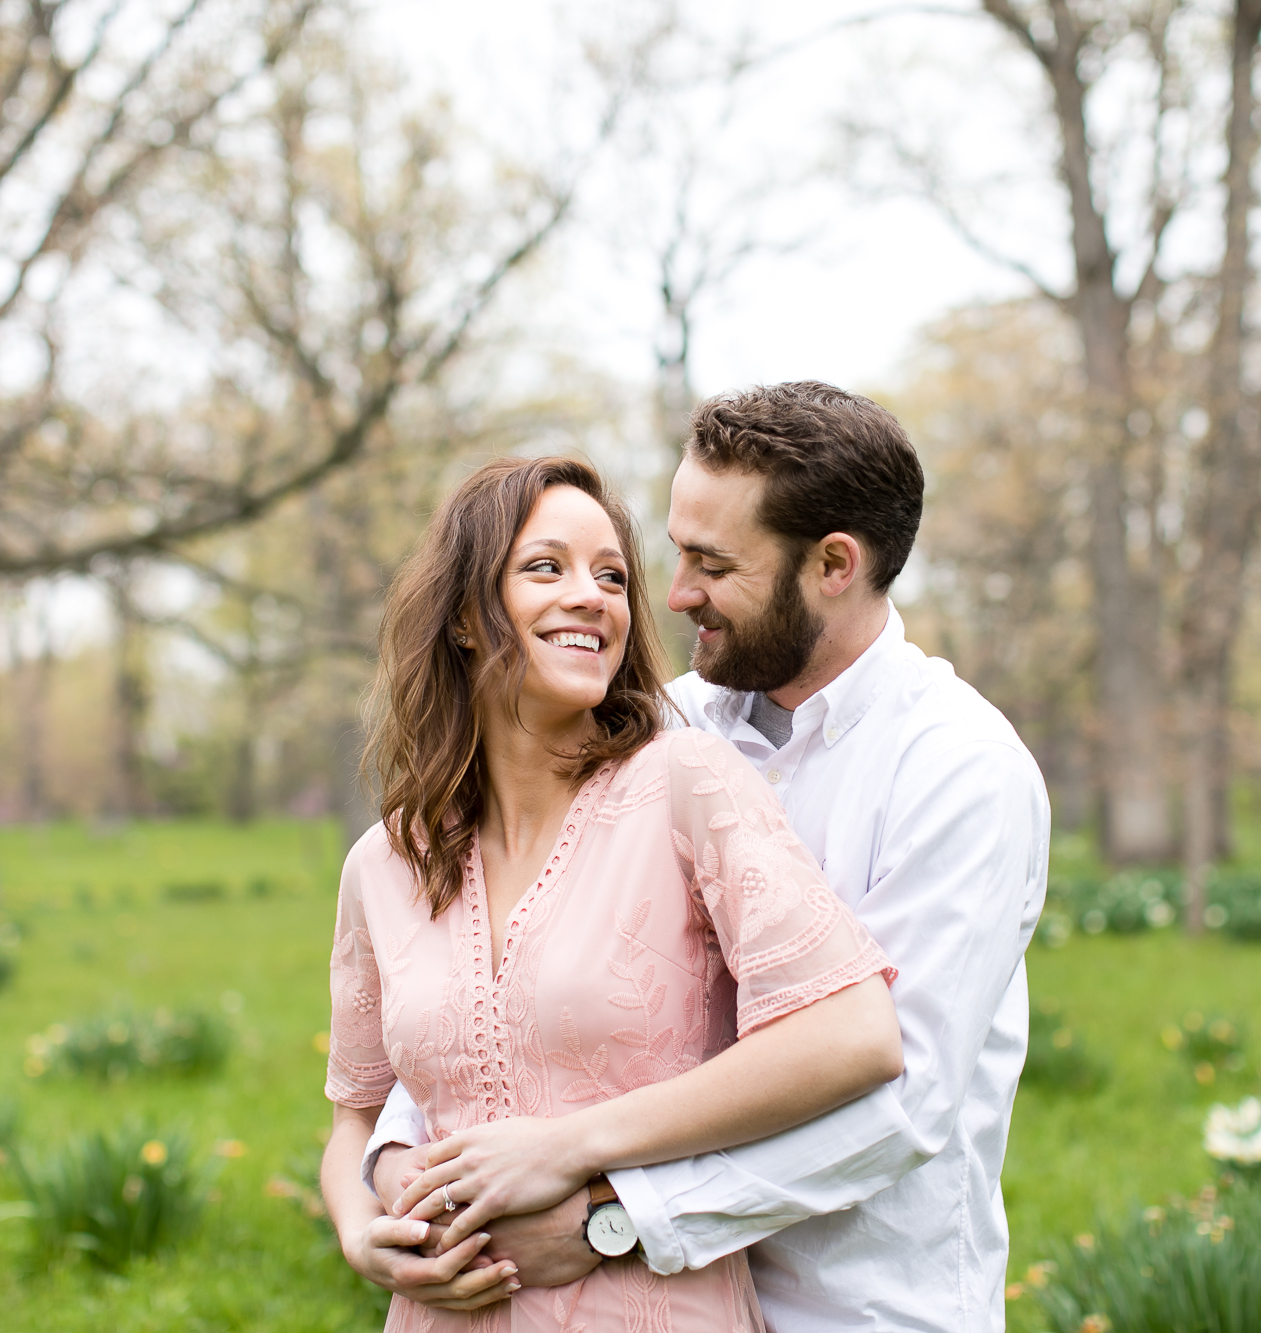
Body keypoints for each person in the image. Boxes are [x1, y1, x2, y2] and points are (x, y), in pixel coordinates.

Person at [359, 382, 1051, 1332]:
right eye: (676, 552)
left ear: (833, 565)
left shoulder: (961, 772)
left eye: (711, 564)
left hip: (858, 1306)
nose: (673, 593)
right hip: (646, 1295)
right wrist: (392, 1167)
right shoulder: (661, 731)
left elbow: (901, 1094)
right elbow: (497, 998)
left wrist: (615, 1219)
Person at [318, 454, 903, 1330]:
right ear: (468, 617)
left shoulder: (685, 783)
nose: (593, 595)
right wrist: (361, 1231)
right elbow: (354, 1122)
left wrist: (570, 1150)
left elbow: (853, 1035)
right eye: (545, 567)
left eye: (613, 575)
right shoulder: (383, 863)